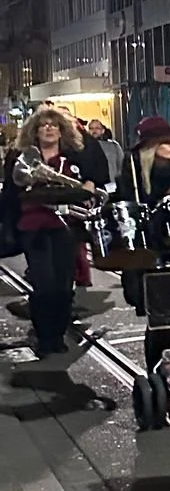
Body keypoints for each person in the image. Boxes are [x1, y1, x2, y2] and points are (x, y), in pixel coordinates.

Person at [4, 106, 95, 354]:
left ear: (62, 130)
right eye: (43, 124)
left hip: (66, 227)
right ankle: (45, 336)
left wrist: (87, 191)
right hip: (34, 227)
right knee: (44, 283)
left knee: (64, 283)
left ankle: (58, 331)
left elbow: (88, 182)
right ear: (34, 130)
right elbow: (11, 194)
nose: (49, 128)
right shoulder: (19, 156)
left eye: (54, 124)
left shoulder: (73, 157)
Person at [85, 118, 124, 189]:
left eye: (97, 128)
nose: (94, 131)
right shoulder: (85, 146)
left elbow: (121, 164)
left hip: (112, 183)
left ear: (103, 130)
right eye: (91, 128)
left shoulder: (113, 146)